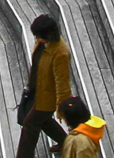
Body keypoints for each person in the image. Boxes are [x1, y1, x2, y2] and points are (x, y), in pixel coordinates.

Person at [16, 15, 70, 158]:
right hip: (36, 89)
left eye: (39, 36)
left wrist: (62, 107)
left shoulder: (61, 53)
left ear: (49, 35)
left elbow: (62, 82)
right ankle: (65, 142)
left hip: (47, 98)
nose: (37, 39)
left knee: (30, 124)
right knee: (44, 121)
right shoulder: (42, 42)